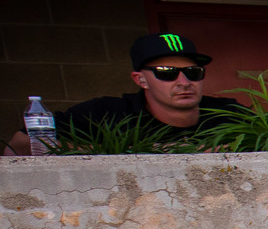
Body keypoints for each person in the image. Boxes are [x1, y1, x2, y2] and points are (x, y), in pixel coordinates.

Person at [49, 34, 234, 147]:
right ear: (141, 79)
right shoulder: (106, 113)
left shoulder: (229, 112)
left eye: (193, 72)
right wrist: (124, 152)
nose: (184, 82)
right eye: (166, 73)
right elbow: (24, 142)